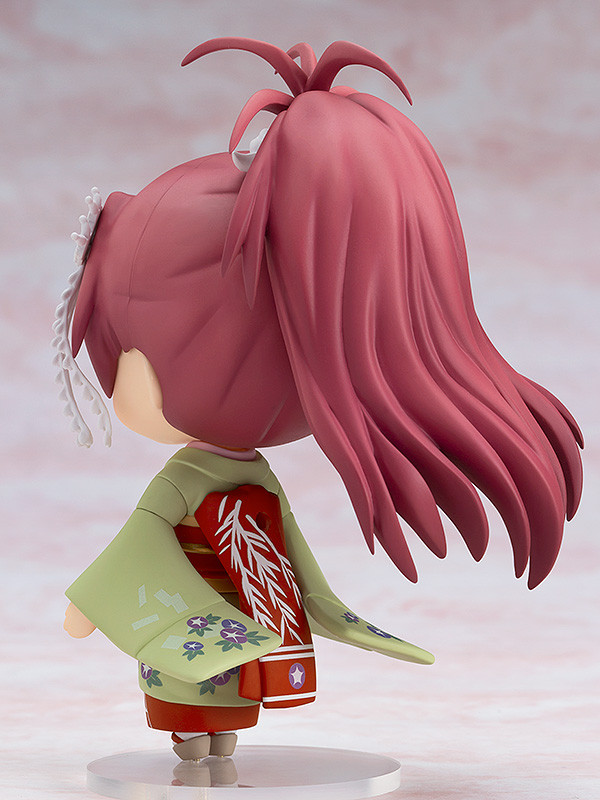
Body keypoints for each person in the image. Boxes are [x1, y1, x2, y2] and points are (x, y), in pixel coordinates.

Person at [55, 38, 583, 760]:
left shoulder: (229, 481)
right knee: (199, 709)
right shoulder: (201, 482)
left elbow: (258, 546)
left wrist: (323, 606)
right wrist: (91, 599)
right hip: (200, 641)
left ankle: (212, 748)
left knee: (225, 708)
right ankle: (197, 746)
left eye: (121, 354)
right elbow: (145, 540)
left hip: (235, 637)